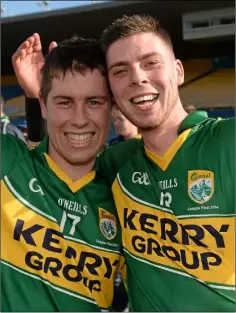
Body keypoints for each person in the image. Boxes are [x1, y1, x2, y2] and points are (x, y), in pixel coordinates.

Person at [12, 14, 235, 312]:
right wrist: (36, 96)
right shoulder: (116, 164)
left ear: (178, 71)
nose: (137, 77)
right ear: (113, 96)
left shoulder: (227, 141)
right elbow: (49, 165)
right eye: (120, 70)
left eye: (151, 63)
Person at [2, 36, 126, 312]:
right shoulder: (7, 164)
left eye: (94, 102)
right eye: (64, 102)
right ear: (43, 105)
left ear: (113, 108)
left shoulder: (130, 194)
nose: (79, 119)